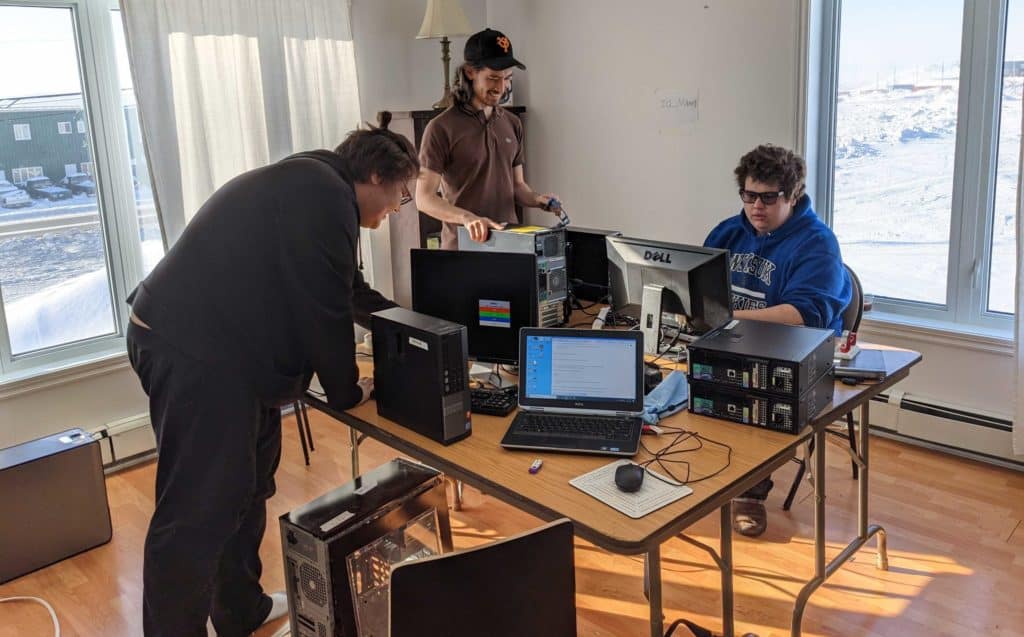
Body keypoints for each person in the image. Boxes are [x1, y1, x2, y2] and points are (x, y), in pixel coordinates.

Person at [125, 112, 415, 636]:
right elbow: (322, 307)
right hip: (192, 351)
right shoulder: (322, 194)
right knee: (196, 512)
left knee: (246, 486)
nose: (398, 207)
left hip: (224, 354)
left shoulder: (315, 185)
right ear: (376, 176)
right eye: (401, 193)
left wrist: (418, 328)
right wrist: (348, 392)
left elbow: (345, 289)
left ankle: (240, 609)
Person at [704, 143, 851, 537]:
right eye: (750, 196)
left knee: (758, 398)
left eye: (769, 198)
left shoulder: (817, 244)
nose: (757, 207)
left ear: (793, 195)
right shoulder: (729, 231)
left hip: (791, 354)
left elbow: (803, 317)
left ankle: (749, 492)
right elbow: (699, 282)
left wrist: (725, 318)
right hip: (733, 342)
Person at [415, 28, 562, 249]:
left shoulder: (512, 123)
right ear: (470, 72)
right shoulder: (440, 128)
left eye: (507, 79)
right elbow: (424, 199)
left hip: (510, 247)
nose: (501, 88)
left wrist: (537, 200)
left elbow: (517, 186)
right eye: (493, 78)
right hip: (462, 251)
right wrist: (467, 218)